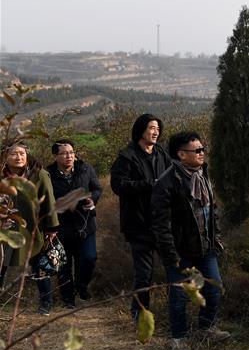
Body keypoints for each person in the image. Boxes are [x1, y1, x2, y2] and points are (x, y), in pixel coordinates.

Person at [151, 131, 228, 350]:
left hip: (205, 246)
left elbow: (211, 210)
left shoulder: (203, 174)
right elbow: (160, 224)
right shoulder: (166, 182)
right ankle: (179, 338)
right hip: (179, 250)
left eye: (203, 149)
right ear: (181, 155)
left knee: (213, 288)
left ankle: (207, 329)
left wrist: (216, 237)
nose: (202, 154)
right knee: (179, 294)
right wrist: (170, 255)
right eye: (198, 150)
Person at [110, 113, 171, 320]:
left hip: (162, 223)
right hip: (138, 224)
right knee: (144, 275)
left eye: (157, 128)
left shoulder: (162, 153)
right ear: (140, 130)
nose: (155, 132)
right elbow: (118, 185)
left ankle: (175, 311)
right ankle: (139, 314)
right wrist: (148, 185)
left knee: (174, 267)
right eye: (151, 128)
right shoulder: (126, 156)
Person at [1, 141, 59, 315]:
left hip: (33, 227)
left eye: (22, 153)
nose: (18, 157)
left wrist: (52, 227)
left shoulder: (39, 174)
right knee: (1, 263)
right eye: (13, 154)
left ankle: (46, 303)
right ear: (5, 155)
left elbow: (49, 201)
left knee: (39, 264)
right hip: (6, 227)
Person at [46, 139, 102, 306]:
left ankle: (82, 286)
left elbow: (97, 188)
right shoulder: (48, 174)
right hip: (60, 226)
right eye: (64, 153)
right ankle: (68, 299)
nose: (69, 156)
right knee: (63, 264)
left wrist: (92, 200)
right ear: (55, 156)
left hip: (84, 223)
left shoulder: (85, 169)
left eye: (71, 152)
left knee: (89, 258)